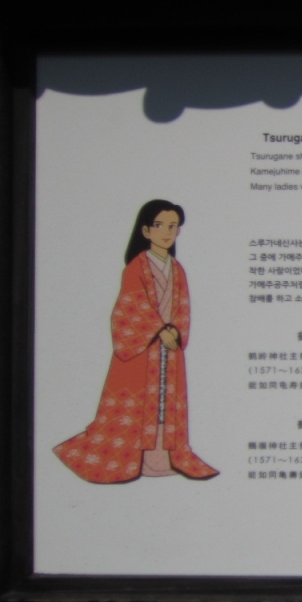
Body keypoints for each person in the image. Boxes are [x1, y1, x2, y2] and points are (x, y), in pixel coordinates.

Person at [54, 200, 219, 483]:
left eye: (172, 226)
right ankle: (128, 459)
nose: (167, 232)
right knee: (136, 405)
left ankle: (162, 459)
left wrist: (176, 331)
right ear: (145, 230)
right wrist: (159, 330)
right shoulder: (136, 267)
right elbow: (130, 306)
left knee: (166, 404)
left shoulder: (177, 269)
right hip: (141, 349)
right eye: (159, 225)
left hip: (169, 350)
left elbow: (183, 308)